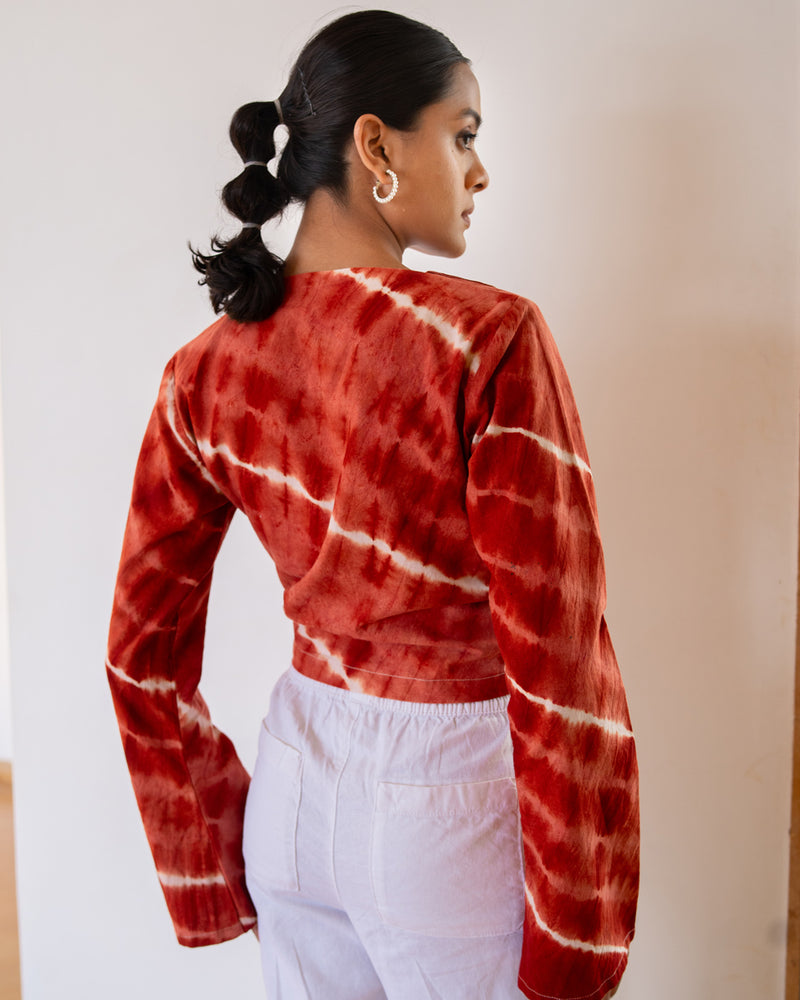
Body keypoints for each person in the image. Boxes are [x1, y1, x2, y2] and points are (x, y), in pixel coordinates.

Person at [106, 10, 639, 1000]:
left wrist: (206, 853)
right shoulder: (486, 341)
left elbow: (139, 651)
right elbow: (557, 654)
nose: (479, 171)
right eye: (463, 134)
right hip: (450, 805)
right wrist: (579, 930)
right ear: (376, 146)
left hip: (291, 792)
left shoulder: (203, 370)